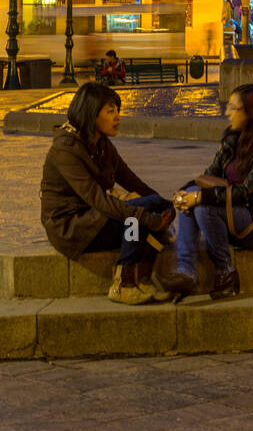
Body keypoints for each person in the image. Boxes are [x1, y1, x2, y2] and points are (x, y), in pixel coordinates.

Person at [40, 81, 178, 305]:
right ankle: (123, 283)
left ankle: (142, 278)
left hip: (95, 217)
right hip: (72, 227)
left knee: (151, 208)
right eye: (110, 111)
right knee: (135, 219)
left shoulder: (101, 144)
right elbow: (98, 199)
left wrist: (166, 205)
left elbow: (132, 181)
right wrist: (146, 216)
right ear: (92, 114)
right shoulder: (65, 149)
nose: (118, 117)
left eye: (117, 111)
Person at [171, 83, 253, 300]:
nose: (226, 112)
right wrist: (183, 192)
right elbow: (209, 175)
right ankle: (186, 272)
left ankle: (225, 272)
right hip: (236, 209)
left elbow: (248, 192)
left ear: (251, 112)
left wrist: (198, 197)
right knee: (193, 195)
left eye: (232, 107)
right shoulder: (232, 137)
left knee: (203, 207)